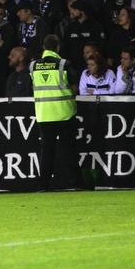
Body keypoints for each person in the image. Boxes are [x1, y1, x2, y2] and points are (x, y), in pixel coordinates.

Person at [29, 35, 84, 191]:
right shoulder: (64, 64)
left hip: (44, 115)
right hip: (64, 113)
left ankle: (43, 186)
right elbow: (74, 88)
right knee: (69, 150)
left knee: (46, 151)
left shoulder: (32, 66)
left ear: (44, 48)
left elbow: (32, 88)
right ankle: (77, 185)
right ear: (58, 47)